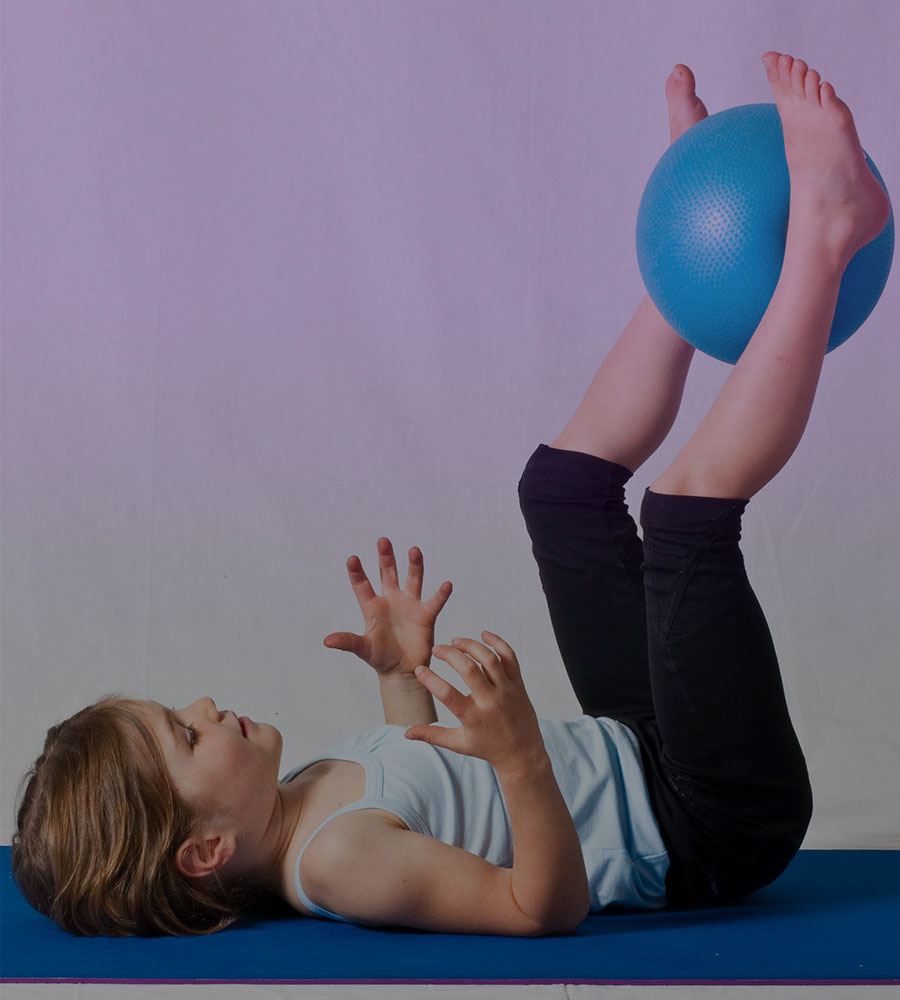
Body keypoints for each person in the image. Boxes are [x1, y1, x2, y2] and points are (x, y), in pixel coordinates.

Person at [11, 52, 891, 937]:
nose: (202, 708)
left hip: (639, 747)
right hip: (710, 819)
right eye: (187, 736)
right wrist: (519, 761)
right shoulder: (339, 864)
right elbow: (538, 907)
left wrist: (401, 677)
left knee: (561, 490)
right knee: (685, 517)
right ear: (202, 852)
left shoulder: (293, 797)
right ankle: (824, 234)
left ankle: (689, 258)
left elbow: (421, 775)